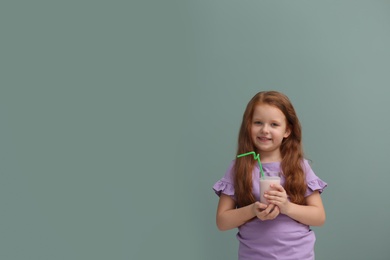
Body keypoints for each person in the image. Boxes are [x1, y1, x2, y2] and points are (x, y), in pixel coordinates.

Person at [213, 90, 327, 260]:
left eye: (274, 124)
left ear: (287, 131)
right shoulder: (239, 168)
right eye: (258, 122)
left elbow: (319, 217)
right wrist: (253, 210)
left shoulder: (299, 167)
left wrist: (286, 207)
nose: (265, 130)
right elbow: (222, 221)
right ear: (248, 126)